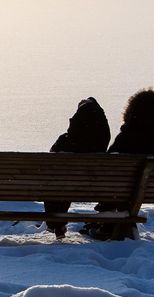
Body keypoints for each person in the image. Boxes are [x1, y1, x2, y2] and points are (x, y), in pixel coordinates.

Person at [88, 88, 154, 240]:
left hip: (117, 192)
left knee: (116, 184)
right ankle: (112, 223)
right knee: (127, 186)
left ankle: (107, 222)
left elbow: (107, 165)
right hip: (145, 192)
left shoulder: (125, 139)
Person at [44, 97, 110, 238]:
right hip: (94, 188)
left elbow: (49, 163)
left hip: (65, 187)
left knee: (56, 181)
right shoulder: (102, 144)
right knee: (65, 181)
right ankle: (57, 223)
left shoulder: (65, 141)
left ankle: (56, 223)